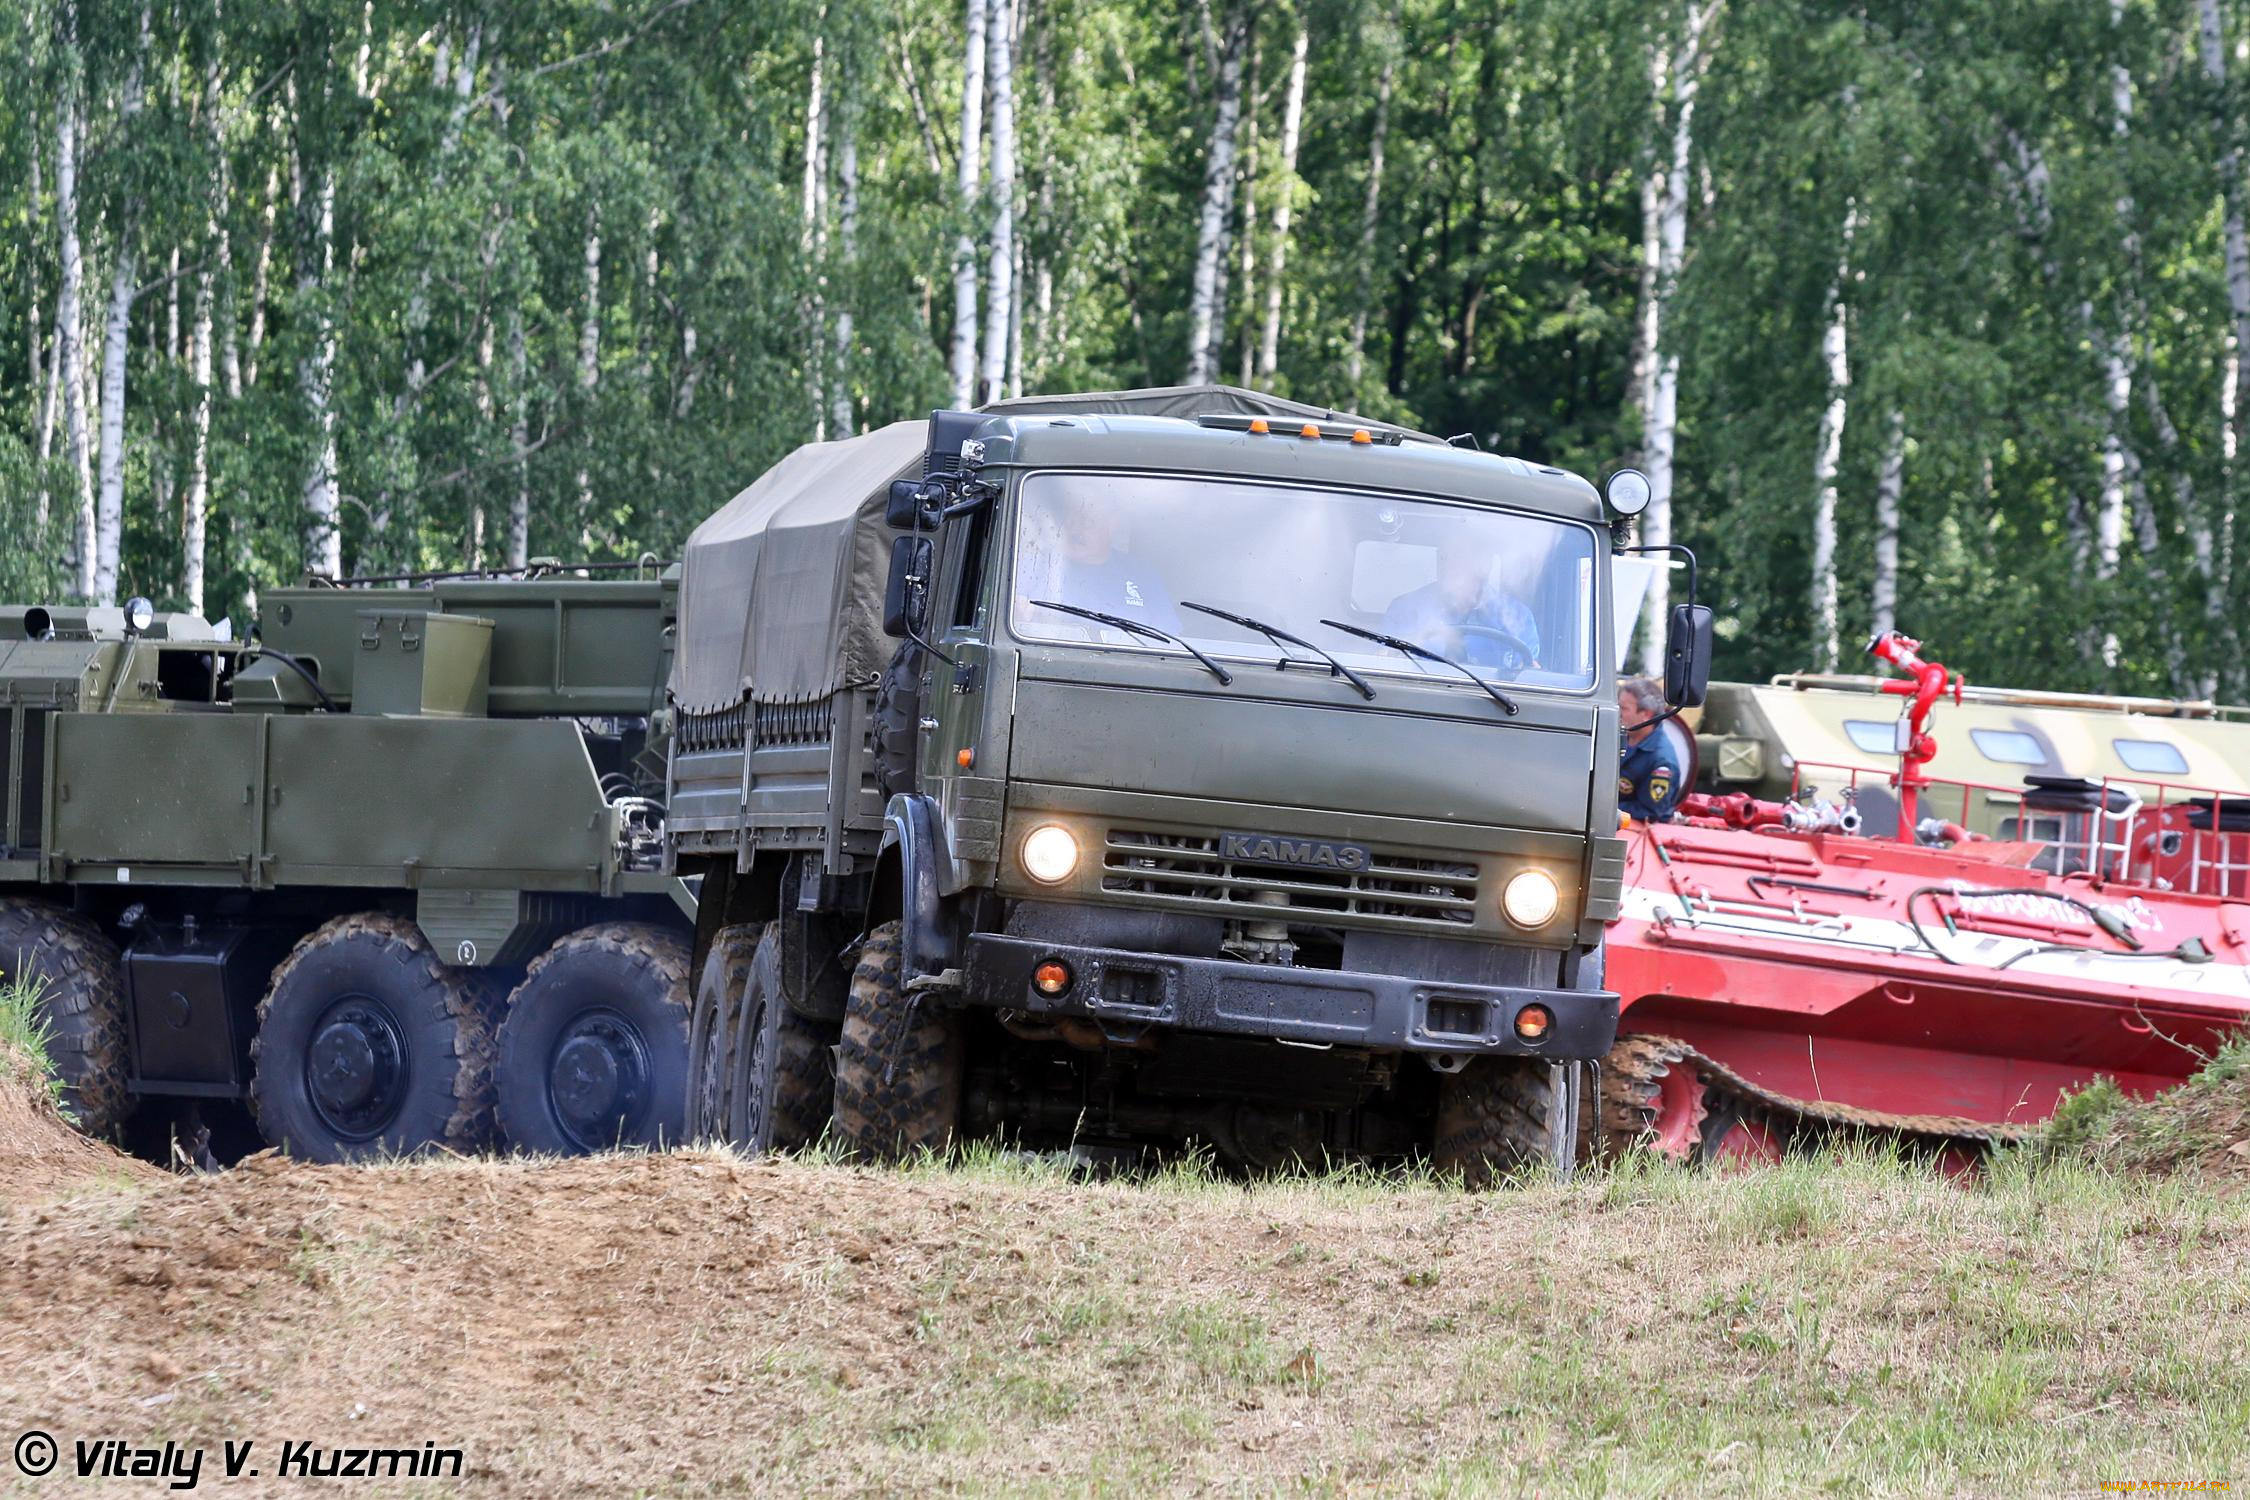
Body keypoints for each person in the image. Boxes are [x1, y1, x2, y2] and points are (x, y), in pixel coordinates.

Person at [1035, 494, 1181, 634]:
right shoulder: (1038, 565)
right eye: (1070, 521)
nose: (1075, 530)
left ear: (1112, 525)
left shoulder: (1142, 575)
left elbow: (1168, 638)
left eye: (1086, 522)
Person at [1380, 547, 1540, 671]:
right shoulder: (1405, 609)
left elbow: (1524, 678)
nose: (1448, 566)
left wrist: (1528, 672)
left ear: (1485, 565)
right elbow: (1384, 666)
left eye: (1461, 557)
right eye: (1444, 557)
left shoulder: (1517, 617)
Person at [1618, 676, 1686, 822]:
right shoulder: (1620, 737)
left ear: (1646, 714)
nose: (1617, 713)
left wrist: (1602, 808)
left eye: (1623, 708)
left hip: (1635, 828)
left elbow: (1650, 811)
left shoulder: (1661, 762)